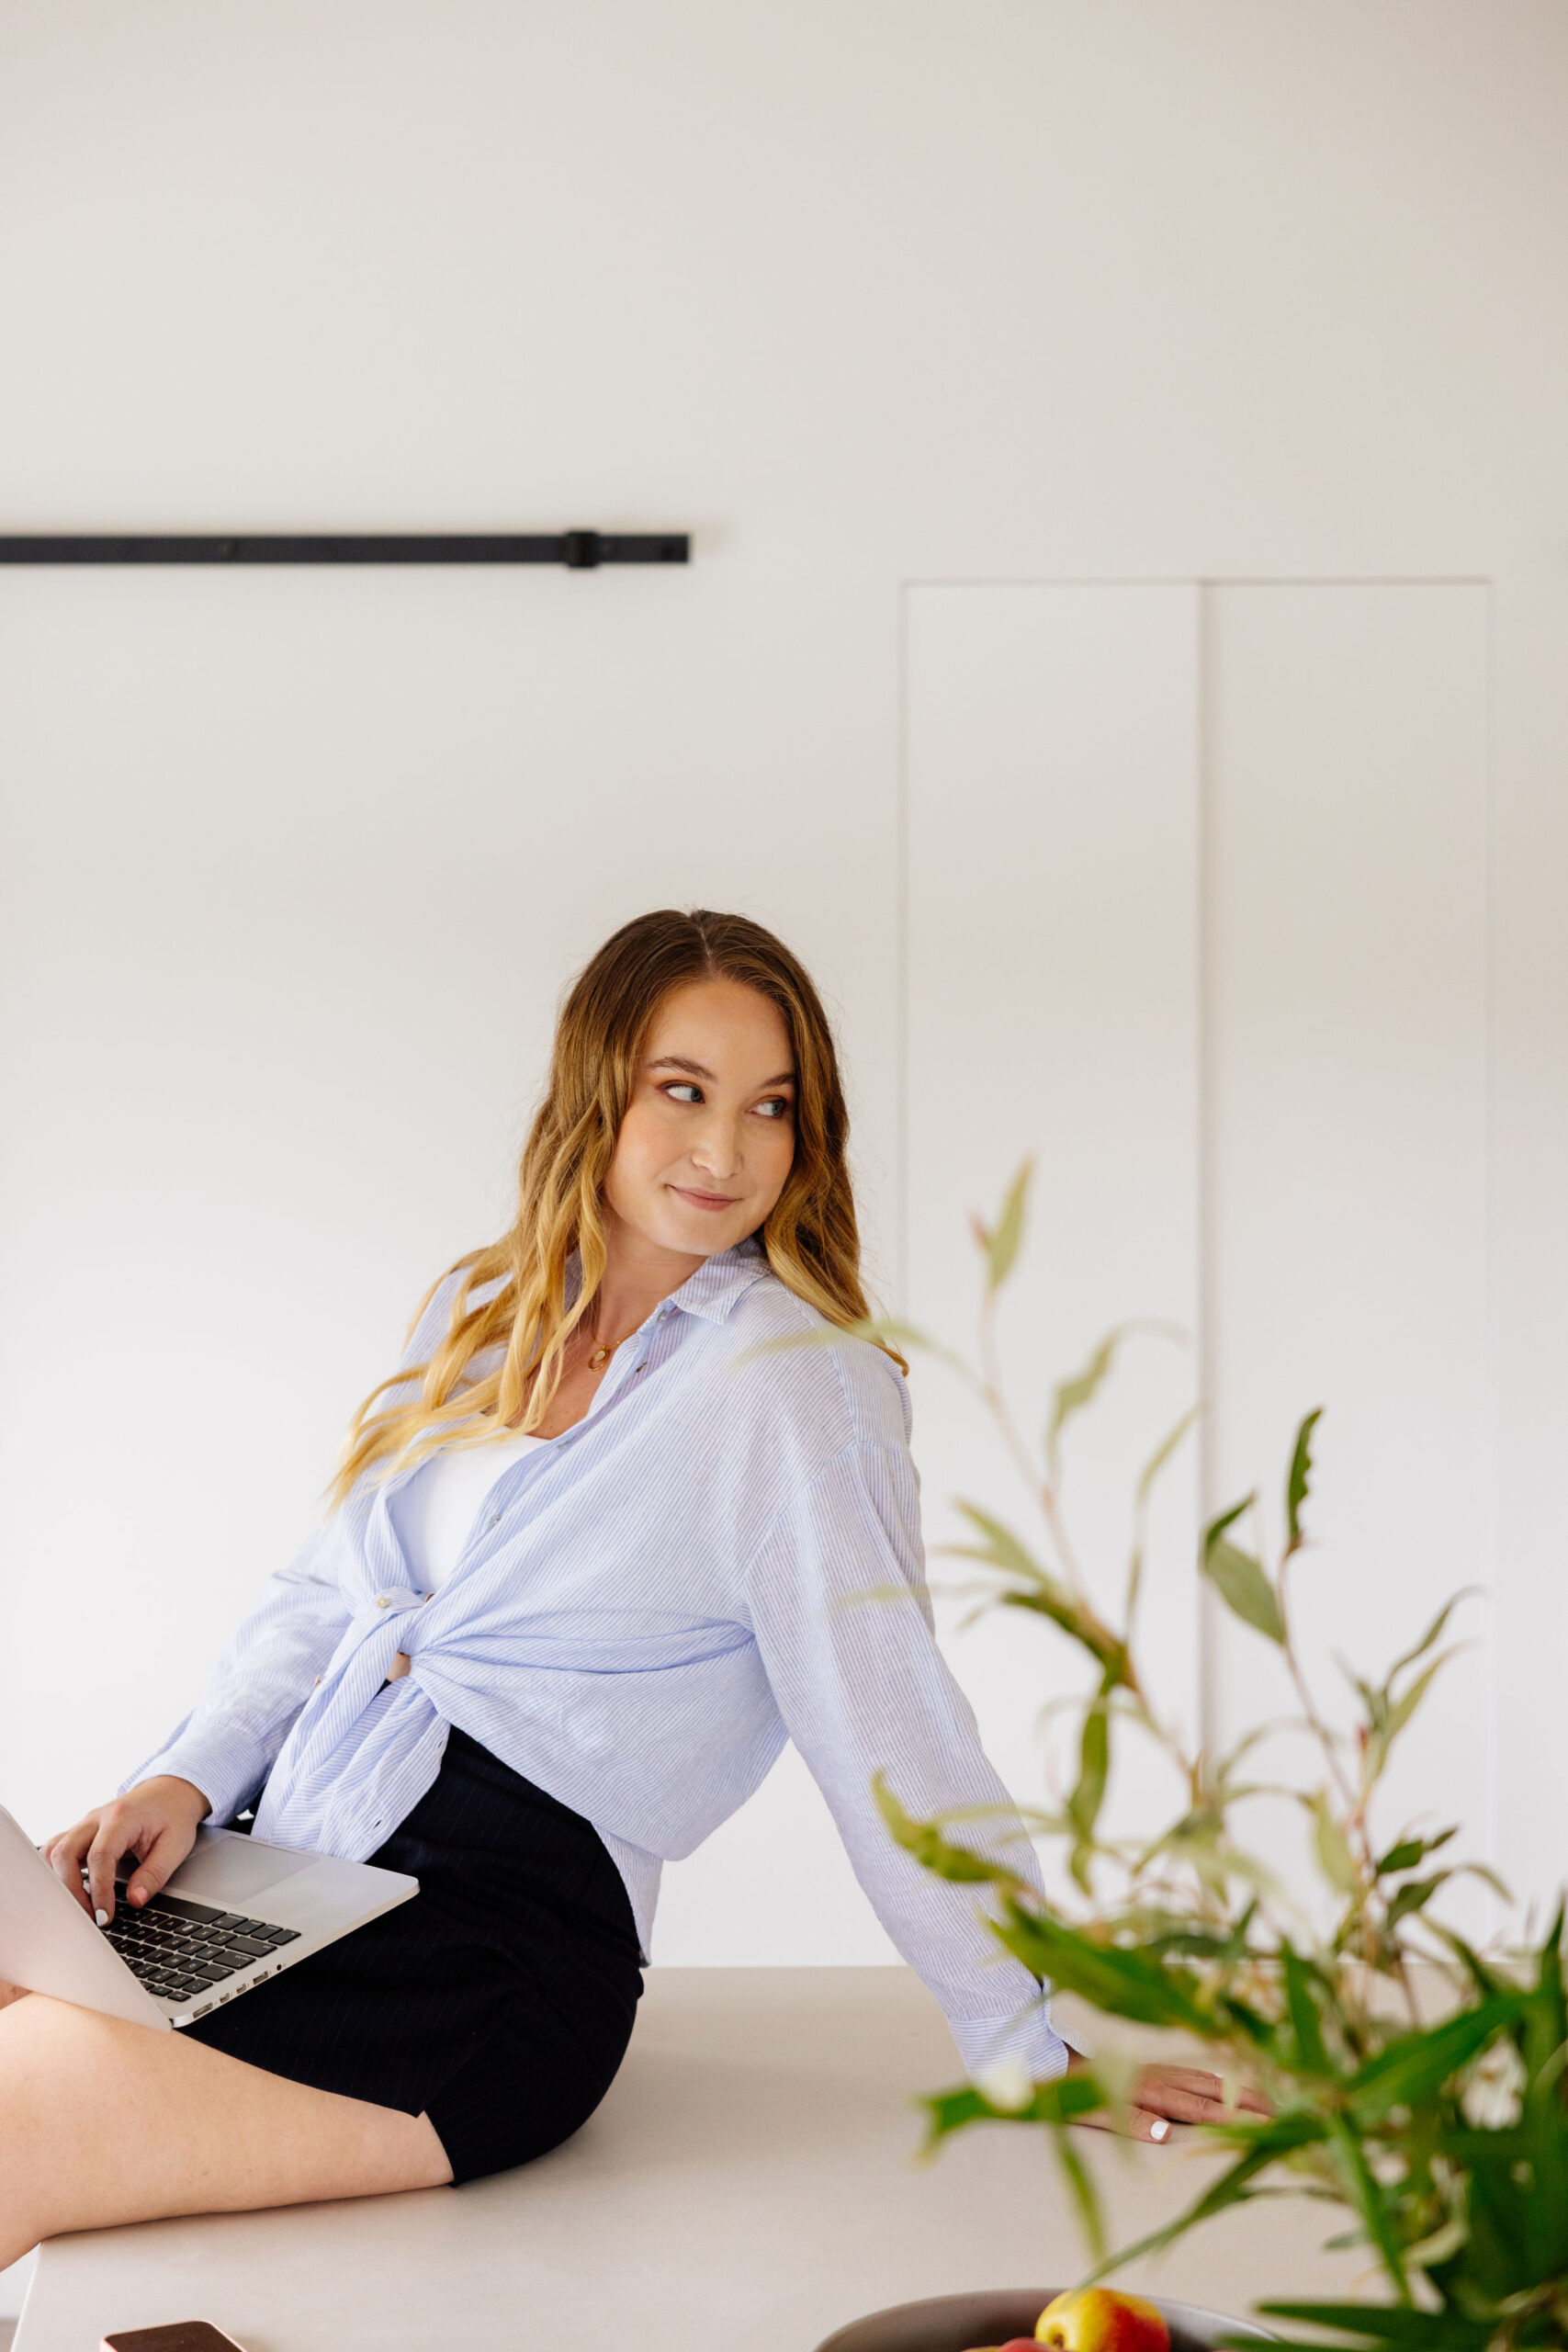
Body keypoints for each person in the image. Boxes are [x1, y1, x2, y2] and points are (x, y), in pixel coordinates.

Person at [0, 908, 1231, 2267]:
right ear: (598, 1090)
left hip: (488, 1956)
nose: (727, 1151)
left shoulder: (796, 1388)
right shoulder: (483, 1314)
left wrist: (1026, 2042)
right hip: (293, 1869)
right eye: (682, 1092)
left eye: (772, 1107)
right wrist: (178, 1780)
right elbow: (324, 1596)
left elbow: (890, 1731)